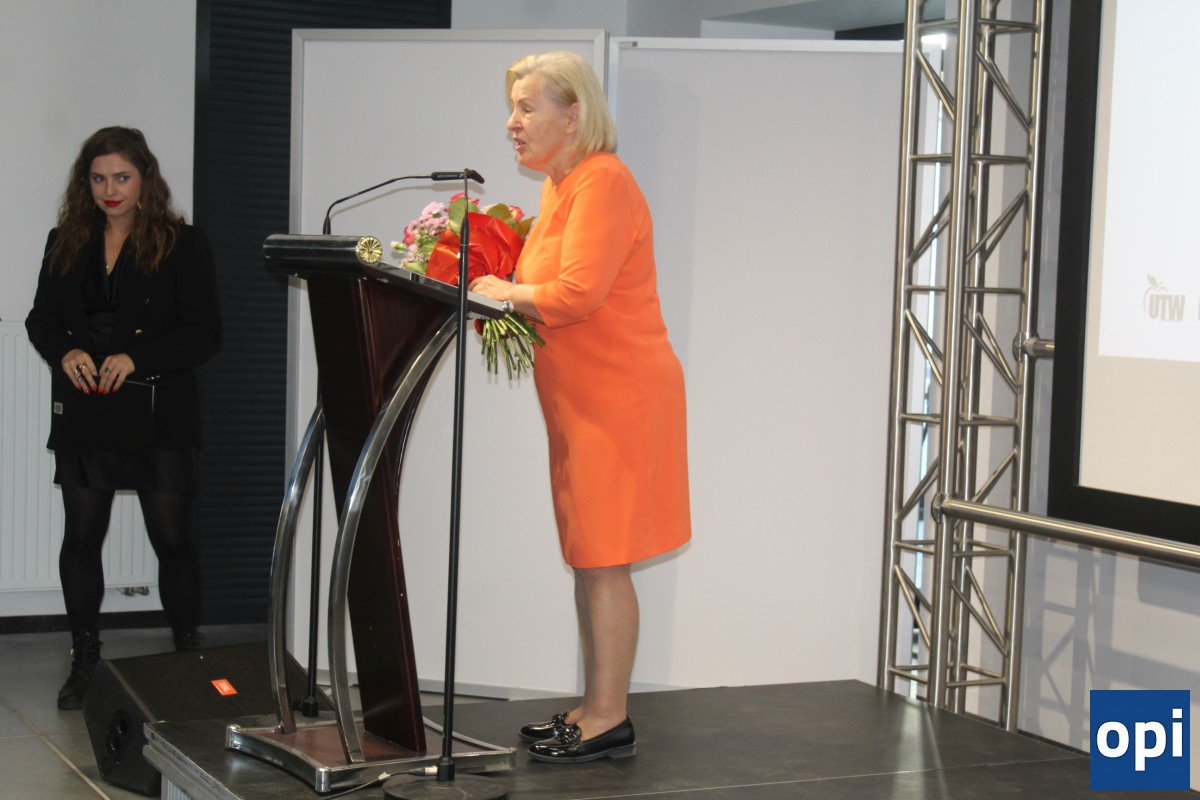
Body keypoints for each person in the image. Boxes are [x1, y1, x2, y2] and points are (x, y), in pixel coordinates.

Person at [469, 51, 691, 763]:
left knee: (604, 556)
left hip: (618, 397)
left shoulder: (603, 180)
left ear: (573, 115)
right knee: (589, 555)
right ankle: (595, 706)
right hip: (579, 398)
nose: (512, 122)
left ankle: (607, 717)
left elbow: (576, 294)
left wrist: (503, 292)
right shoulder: (560, 186)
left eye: (526, 107)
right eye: (512, 107)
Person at [25, 126, 222, 710]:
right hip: (87, 406)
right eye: (98, 178)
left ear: (145, 179)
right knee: (81, 536)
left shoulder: (183, 243)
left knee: (171, 538)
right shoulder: (65, 240)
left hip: (158, 410)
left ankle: (187, 657)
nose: (109, 190)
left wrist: (138, 357)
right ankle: (85, 657)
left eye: (121, 177)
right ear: (85, 182)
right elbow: (40, 319)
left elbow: (205, 333)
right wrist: (65, 350)